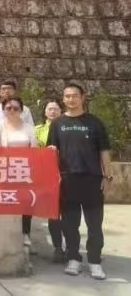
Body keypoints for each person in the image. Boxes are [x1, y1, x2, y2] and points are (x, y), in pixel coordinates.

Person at [48, 83, 112, 281]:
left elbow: (104, 151)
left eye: (75, 95)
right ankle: (73, 258)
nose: (71, 99)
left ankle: (94, 261)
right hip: (67, 180)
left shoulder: (94, 122)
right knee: (70, 224)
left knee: (94, 224)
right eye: (67, 96)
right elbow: (52, 152)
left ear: (82, 97)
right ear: (63, 98)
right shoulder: (57, 124)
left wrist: (107, 176)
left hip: (92, 180)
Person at [0, 96, 38, 253]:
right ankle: (6, 237)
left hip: (24, 171)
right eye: (9, 108)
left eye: (16, 108)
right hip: (4, 171)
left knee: (25, 203)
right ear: (3, 110)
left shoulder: (29, 128)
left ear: (21, 110)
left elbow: (35, 150)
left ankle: (25, 235)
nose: (12, 111)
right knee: (7, 203)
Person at [35, 97, 66, 263]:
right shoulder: (37, 130)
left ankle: (71, 247)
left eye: (56, 109)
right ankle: (58, 248)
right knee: (54, 213)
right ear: (45, 112)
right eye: (50, 109)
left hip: (68, 173)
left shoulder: (67, 128)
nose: (53, 111)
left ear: (61, 111)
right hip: (47, 174)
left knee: (69, 213)